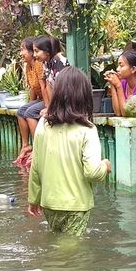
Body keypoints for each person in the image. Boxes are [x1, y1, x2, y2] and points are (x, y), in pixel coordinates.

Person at [28, 66, 112, 236]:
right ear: (85, 97)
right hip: (75, 205)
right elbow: (93, 172)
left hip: (49, 203)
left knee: (58, 241)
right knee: (70, 251)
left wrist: (33, 199)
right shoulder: (87, 130)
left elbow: (35, 166)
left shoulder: (43, 124)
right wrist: (105, 165)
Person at [14, 37, 44, 164]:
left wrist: (48, 105)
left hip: (48, 98)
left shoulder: (38, 64)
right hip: (40, 98)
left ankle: (38, 148)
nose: (21, 53)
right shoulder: (28, 67)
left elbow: (45, 86)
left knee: (30, 113)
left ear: (32, 52)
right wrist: (30, 104)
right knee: (21, 111)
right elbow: (33, 88)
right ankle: (25, 145)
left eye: (23, 50)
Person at [34, 35, 69, 112]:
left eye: (36, 51)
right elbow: (48, 85)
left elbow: (62, 89)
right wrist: (50, 108)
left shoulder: (60, 62)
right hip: (56, 105)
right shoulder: (46, 63)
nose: (34, 55)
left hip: (67, 104)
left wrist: (54, 110)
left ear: (47, 51)